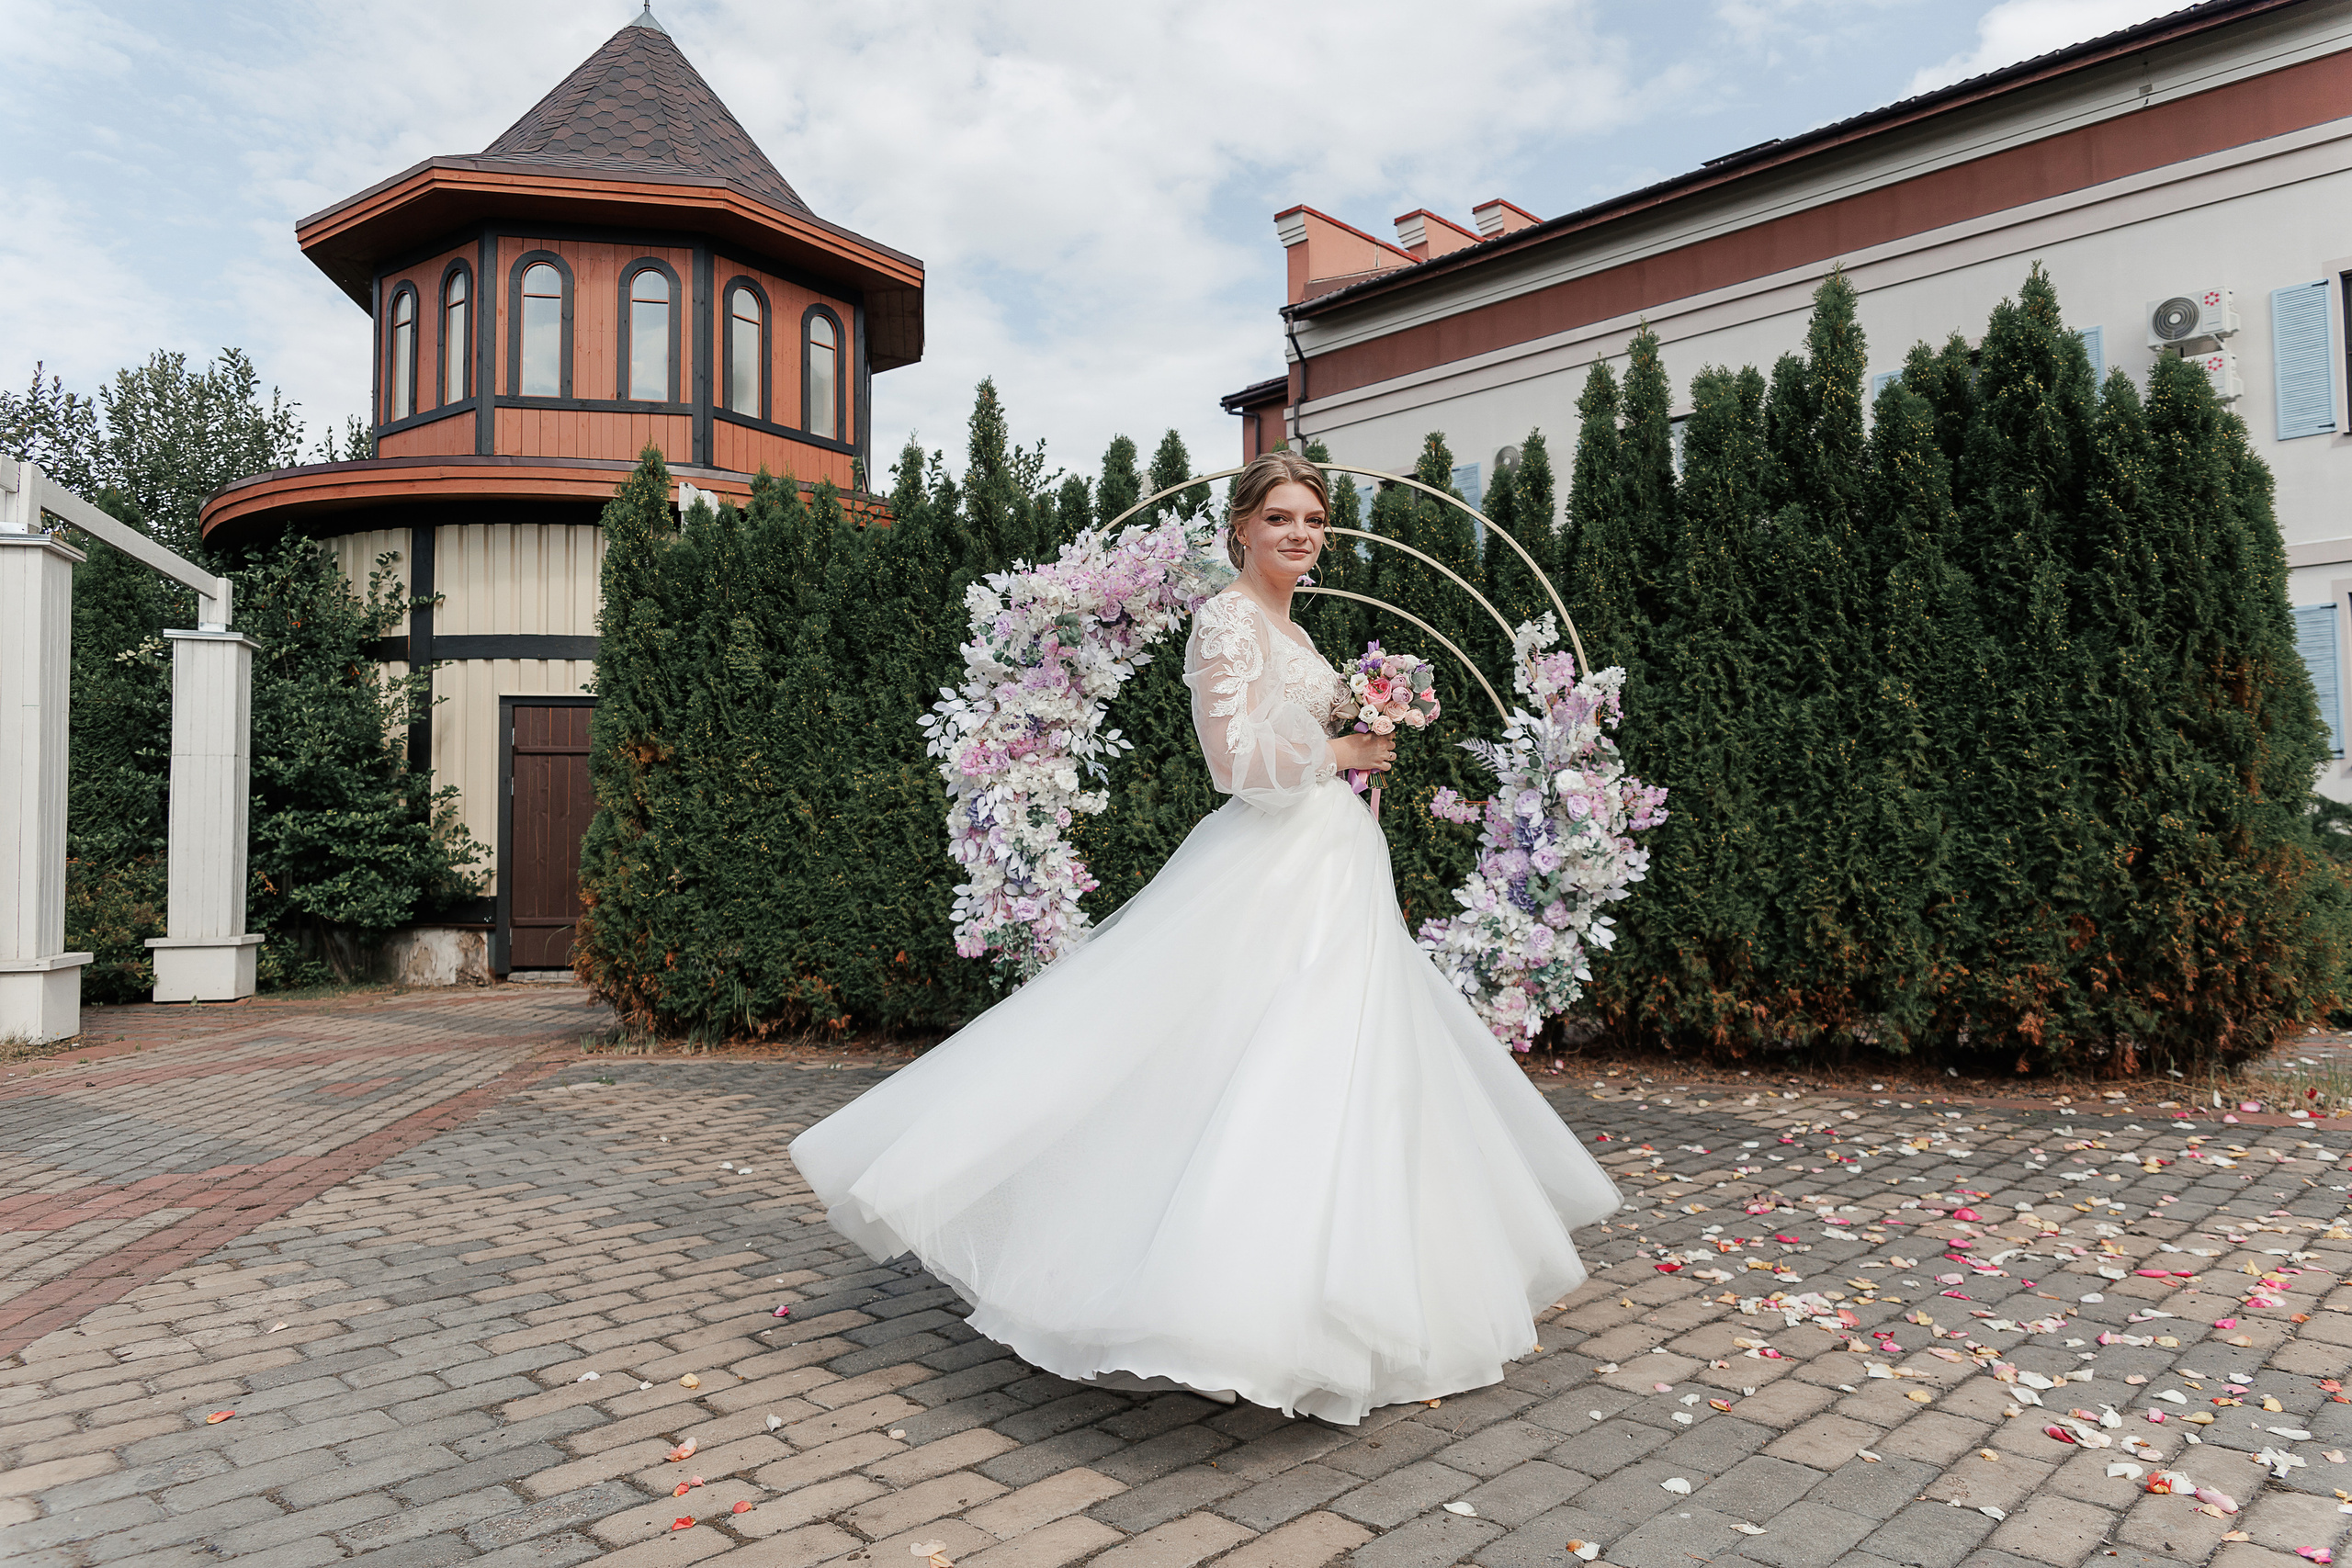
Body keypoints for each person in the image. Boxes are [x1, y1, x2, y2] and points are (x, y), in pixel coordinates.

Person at [788, 451, 1621, 1425]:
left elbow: (1285, 739)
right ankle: (1224, 1303)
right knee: (1256, 1061)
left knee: (1344, 1073)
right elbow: (1230, 762)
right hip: (1275, 865)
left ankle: (1342, 1299)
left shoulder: (1292, 626)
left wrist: (1355, 735)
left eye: (1313, 519)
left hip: (1331, 864)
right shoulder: (1225, 618)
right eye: (1281, 517)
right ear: (1241, 527)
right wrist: (1341, 749)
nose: (1300, 534)